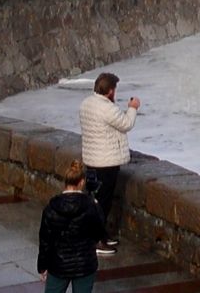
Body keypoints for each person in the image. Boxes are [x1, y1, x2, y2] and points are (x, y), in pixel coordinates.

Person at [78, 72, 139, 256]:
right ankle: (96, 241)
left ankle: (101, 235)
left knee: (95, 200)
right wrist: (133, 107)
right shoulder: (106, 108)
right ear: (110, 90)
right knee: (101, 204)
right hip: (105, 163)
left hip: (92, 160)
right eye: (115, 90)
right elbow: (126, 123)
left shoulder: (86, 103)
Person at [37, 159, 105, 292]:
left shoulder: (51, 208)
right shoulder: (91, 206)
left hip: (58, 265)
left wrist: (42, 266)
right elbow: (100, 233)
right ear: (82, 182)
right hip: (85, 265)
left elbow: (45, 241)